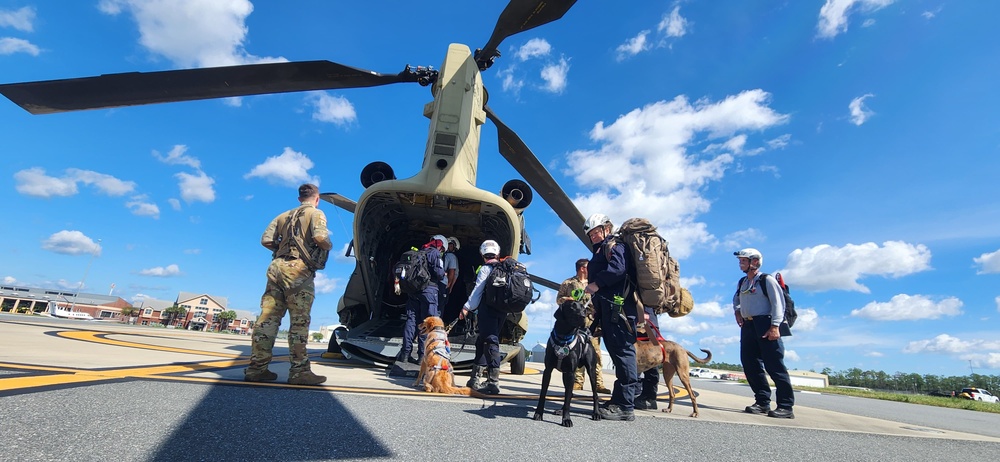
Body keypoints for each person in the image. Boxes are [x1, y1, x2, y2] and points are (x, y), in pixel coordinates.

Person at [246, 183, 332, 386]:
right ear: (316, 198)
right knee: (299, 322)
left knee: (267, 319)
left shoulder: (282, 216)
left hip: (276, 267)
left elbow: (266, 240)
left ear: (299, 198)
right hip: (297, 271)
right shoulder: (316, 213)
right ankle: (299, 371)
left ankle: (257, 368)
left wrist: (282, 247)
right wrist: (328, 245)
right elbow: (320, 237)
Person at [583, 213, 639, 421]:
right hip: (610, 310)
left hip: (620, 310)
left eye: (596, 232)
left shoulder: (615, 245)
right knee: (617, 353)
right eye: (591, 234)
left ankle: (625, 406)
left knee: (623, 353)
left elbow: (618, 269)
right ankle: (618, 400)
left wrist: (596, 284)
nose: (593, 236)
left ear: (607, 228)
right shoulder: (604, 248)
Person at [733, 248, 795, 419]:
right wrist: (737, 311)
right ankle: (762, 401)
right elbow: (736, 299)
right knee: (750, 364)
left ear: (755, 262)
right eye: (740, 261)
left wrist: (775, 326)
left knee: (774, 366)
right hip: (748, 325)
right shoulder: (743, 282)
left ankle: (785, 406)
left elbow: (778, 304)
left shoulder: (766, 280)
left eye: (743, 260)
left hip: (765, 324)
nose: (740, 263)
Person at [557, 258, 611, 394]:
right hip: (575, 323)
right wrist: (568, 300)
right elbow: (559, 299)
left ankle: (598, 383)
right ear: (582, 268)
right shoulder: (568, 283)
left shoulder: (594, 283)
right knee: (576, 352)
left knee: (595, 353)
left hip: (591, 323)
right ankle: (577, 382)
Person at [459, 240, 504, 394]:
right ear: (497, 253)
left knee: (490, 342)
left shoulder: (486, 268)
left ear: (482, 254)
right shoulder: (504, 268)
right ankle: (474, 378)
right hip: (502, 311)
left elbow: (477, 291)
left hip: (488, 310)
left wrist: (466, 307)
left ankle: (493, 382)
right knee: (482, 341)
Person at [398, 234, 447, 364]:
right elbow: (439, 274)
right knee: (428, 323)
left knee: (411, 321)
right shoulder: (435, 253)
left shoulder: (420, 252)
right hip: (429, 292)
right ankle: (422, 356)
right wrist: (443, 273)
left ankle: (405, 353)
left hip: (414, 292)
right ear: (442, 246)